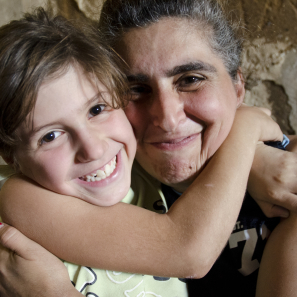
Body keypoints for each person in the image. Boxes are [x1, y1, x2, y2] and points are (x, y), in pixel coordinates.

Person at [0, 1, 294, 296]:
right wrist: (246, 128)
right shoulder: (97, 184)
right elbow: (185, 248)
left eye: (191, 80)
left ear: (238, 87)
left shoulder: (284, 179)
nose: (166, 119)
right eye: (136, 90)